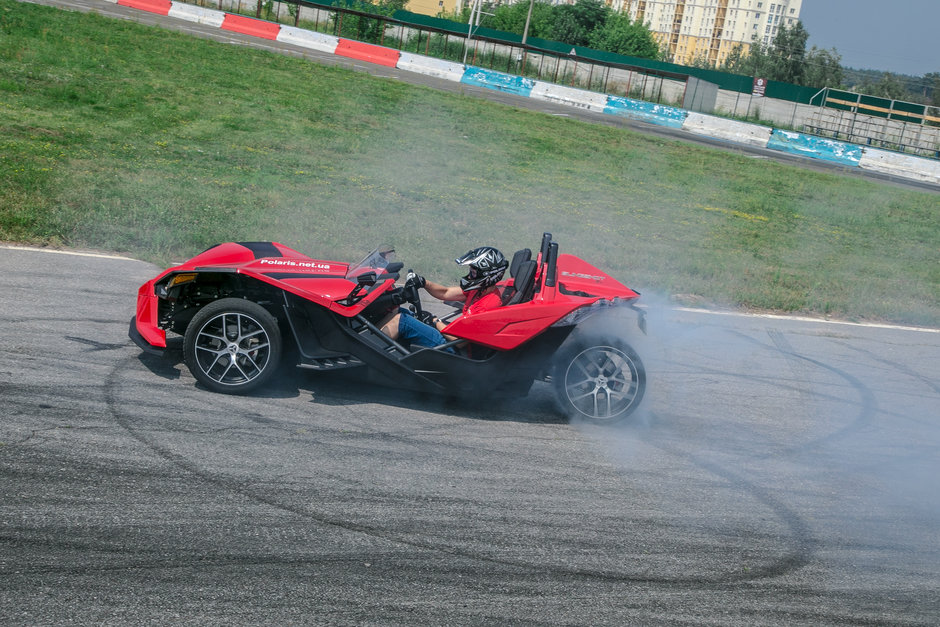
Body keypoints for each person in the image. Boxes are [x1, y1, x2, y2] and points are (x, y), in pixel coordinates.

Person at [380, 246, 508, 349]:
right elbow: (445, 292)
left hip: (454, 351)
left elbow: (460, 342)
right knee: (397, 311)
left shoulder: (488, 305)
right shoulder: (479, 291)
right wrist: (424, 282)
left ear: (489, 275)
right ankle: (372, 343)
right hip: (450, 337)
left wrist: (435, 321)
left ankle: (373, 355)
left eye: (474, 273)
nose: (469, 276)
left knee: (401, 320)